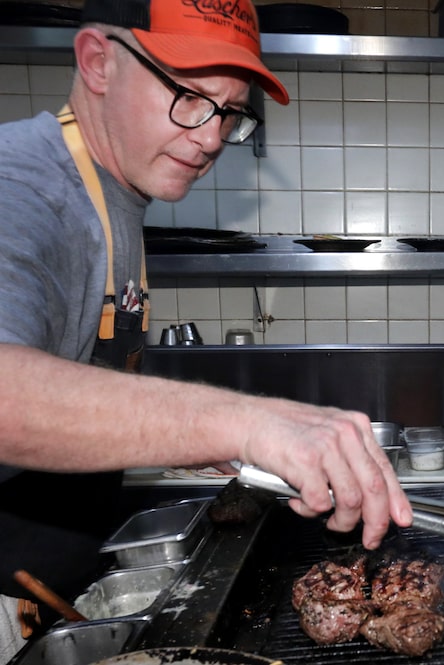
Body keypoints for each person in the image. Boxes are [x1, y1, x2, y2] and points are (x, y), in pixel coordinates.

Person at [0, 0, 412, 659]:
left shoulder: (115, 195)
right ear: (98, 62)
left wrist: (180, 436)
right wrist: (242, 421)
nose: (214, 136)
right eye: (190, 97)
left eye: (229, 111)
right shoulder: (23, 185)